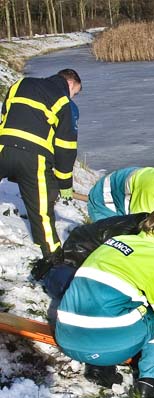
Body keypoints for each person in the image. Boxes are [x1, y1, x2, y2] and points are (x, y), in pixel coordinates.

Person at [55, 208, 154, 398]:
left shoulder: (116, 242)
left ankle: (99, 370)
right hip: (105, 347)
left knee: (112, 303)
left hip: (66, 338)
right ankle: (149, 383)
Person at [0, 68, 81, 257]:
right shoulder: (63, 101)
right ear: (70, 83)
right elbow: (65, 146)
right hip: (34, 157)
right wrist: (64, 183)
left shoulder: (20, 84)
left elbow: (6, 116)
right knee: (42, 215)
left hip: (2, 147)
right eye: (75, 93)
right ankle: (53, 259)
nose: (72, 97)